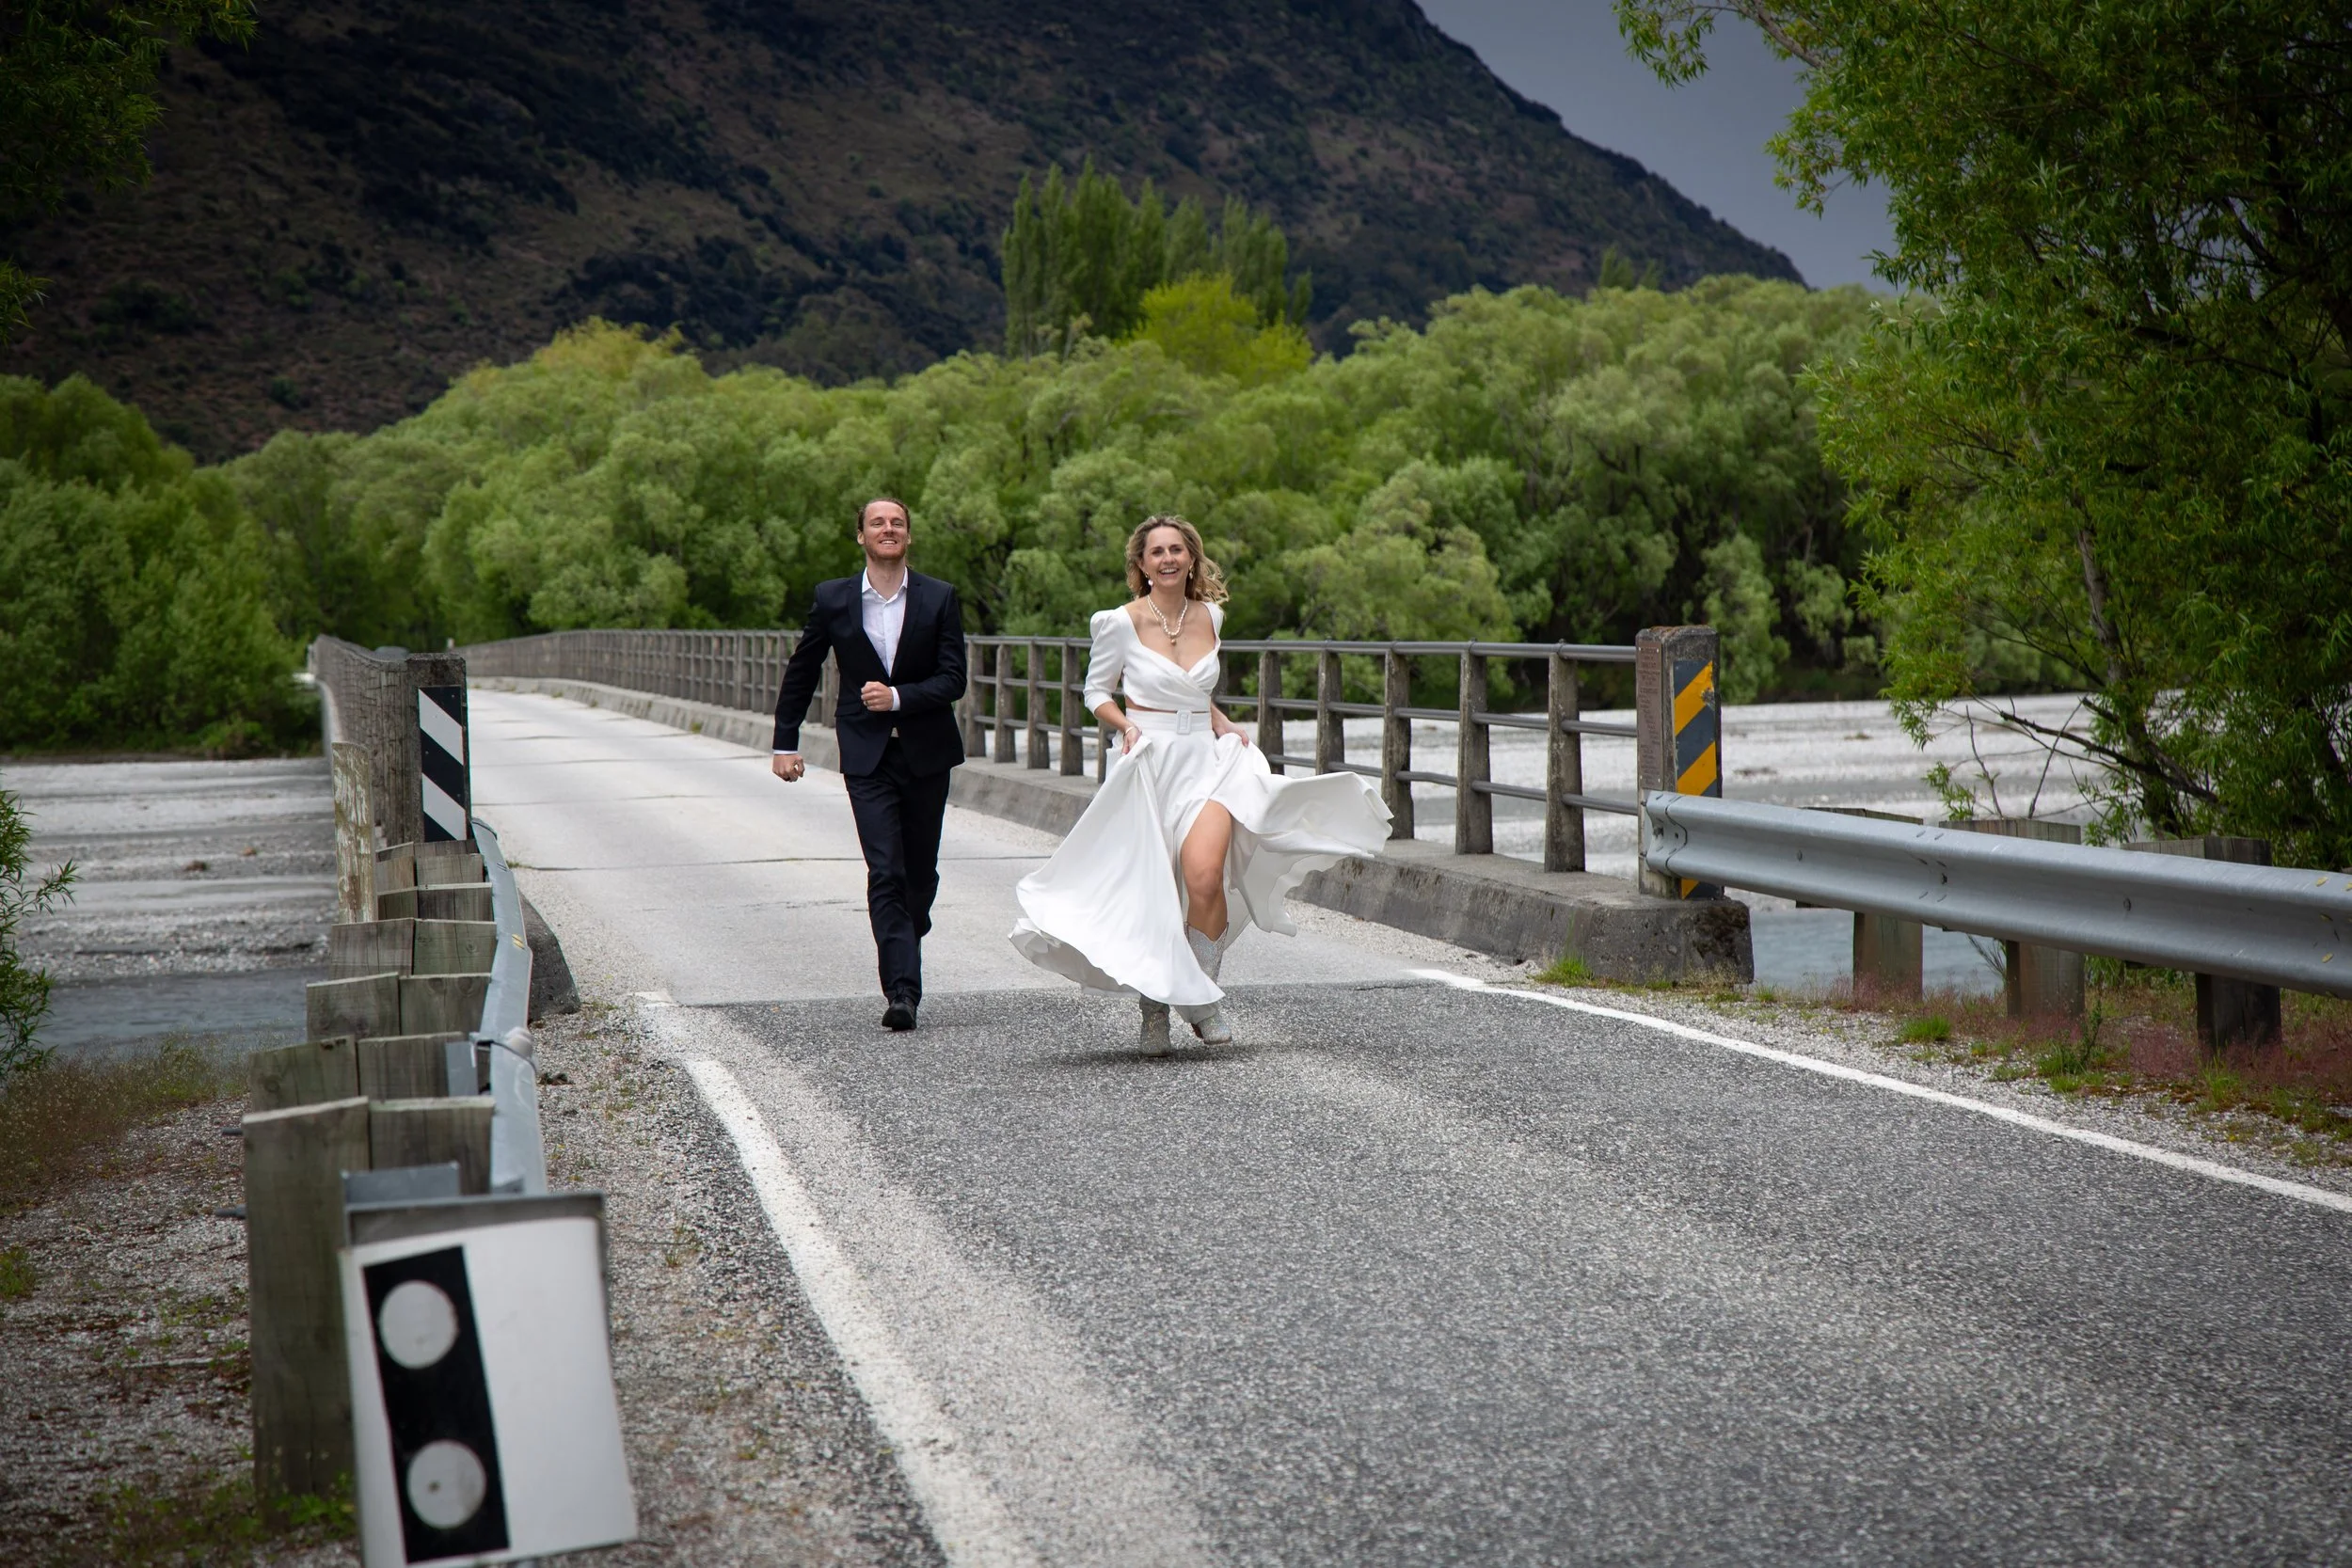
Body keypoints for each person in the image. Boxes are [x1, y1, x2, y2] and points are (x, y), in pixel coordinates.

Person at [1009, 515, 1391, 1053]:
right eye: (1156, 552)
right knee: (1155, 892)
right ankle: (1154, 1010)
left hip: (1207, 763)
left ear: (1191, 558)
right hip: (1148, 761)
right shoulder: (1118, 621)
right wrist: (1126, 725)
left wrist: (1221, 722)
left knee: (1205, 876)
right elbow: (1097, 692)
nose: (1167, 559)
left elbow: (1192, 690)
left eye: (1177, 550)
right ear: (1140, 565)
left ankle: (1204, 998)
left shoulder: (1210, 615)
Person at [773, 498, 968, 1032]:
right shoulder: (833, 599)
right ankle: (902, 992)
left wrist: (900, 697)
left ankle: (909, 923)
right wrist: (784, 743)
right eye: (878, 523)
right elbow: (802, 670)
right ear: (860, 536)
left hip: (927, 753)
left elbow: (955, 679)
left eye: (897, 523)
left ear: (908, 535)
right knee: (885, 869)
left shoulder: (940, 597)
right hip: (866, 755)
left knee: (919, 876)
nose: (889, 529)